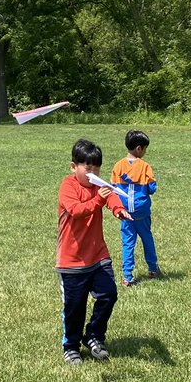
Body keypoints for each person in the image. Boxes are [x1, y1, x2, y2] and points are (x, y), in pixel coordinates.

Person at [56, 138, 132, 366]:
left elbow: (112, 198)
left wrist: (118, 210)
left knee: (109, 294)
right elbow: (77, 211)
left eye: (96, 167)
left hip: (98, 256)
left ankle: (94, 336)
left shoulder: (99, 186)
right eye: (87, 168)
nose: (92, 172)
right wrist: (100, 199)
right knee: (74, 308)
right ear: (74, 167)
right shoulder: (68, 186)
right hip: (71, 261)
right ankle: (71, 346)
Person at [111, 129, 162, 286]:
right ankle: (153, 269)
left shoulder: (118, 166)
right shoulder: (145, 167)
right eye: (145, 148)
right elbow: (152, 189)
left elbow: (112, 188)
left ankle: (127, 276)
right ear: (139, 148)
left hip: (125, 213)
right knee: (147, 239)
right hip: (142, 213)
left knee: (128, 243)